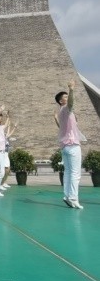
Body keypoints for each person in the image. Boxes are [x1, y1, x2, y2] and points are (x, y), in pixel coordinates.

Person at [54, 80, 86, 209]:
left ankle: (67, 196)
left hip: (65, 147)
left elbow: (62, 128)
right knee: (75, 173)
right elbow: (71, 103)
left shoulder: (62, 112)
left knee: (68, 172)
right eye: (65, 97)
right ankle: (73, 198)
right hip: (72, 146)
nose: (68, 98)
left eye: (68, 96)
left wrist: (55, 119)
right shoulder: (66, 109)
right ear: (61, 101)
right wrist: (71, 89)